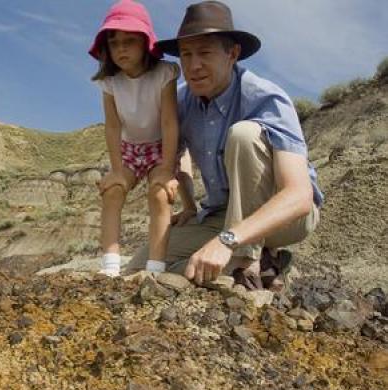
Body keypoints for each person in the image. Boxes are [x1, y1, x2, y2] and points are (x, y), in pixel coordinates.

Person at [126, 0, 324, 290]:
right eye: (186, 54)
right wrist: (190, 205)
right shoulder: (181, 101)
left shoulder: (266, 98)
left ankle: (246, 263)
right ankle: (258, 264)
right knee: (142, 267)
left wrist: (227, 240)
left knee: (244, 135)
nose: (193, 66)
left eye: (204, 53)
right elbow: (171, 155)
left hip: (283, 217)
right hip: (221, 214)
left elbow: (299, 195)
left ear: (232, 54)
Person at [89, 0, 198, 277]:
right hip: (129, 150)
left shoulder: (164, 73)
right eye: (113, 43)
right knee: (113, 192)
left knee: (160, 193)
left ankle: (155, 268)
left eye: (129, 41)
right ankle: (111, 265)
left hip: (162, 145)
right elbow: (113, 127)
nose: (121, 48)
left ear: (146, 42)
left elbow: (169, 121)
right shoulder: (110, 83)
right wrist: (115, 170)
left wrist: (165, 167)